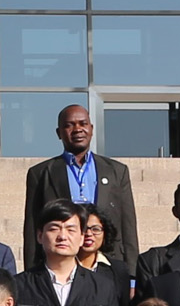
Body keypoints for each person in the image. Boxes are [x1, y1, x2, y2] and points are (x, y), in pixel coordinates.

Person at [23, 105, 137, 269]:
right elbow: (32, 228)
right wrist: (31, 272)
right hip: (59, 263)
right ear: (58, 133)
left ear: (91, 129)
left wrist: (132, 275)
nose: (77, 129)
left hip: (108, 263)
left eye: (83, 124)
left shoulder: (116, 171)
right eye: (69, 125)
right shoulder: (41, 174)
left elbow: (128, 226)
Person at [15, 202, 123, 306]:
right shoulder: (19, 286)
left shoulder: (103, 286)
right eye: (54, 228)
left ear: (81, 238)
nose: (62, 236)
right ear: (39, 236)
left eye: (71, 229)